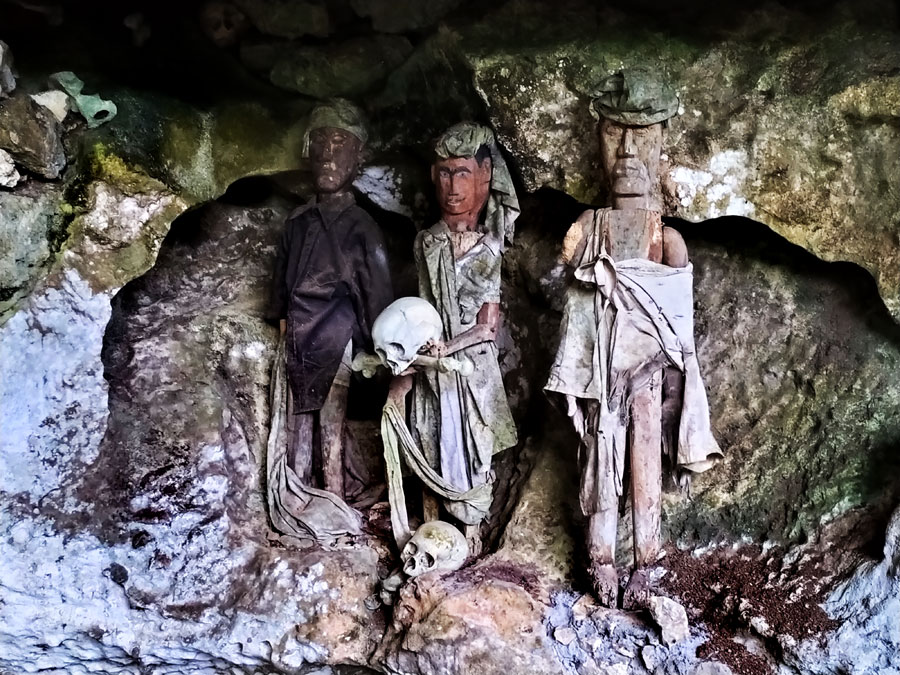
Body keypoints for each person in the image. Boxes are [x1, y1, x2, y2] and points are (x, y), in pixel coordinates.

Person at [545, 71, 721, 607]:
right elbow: (578, 302)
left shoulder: (667, 239)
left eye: (641, 135)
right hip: (600, 371)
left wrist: (676, 387)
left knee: (646, 461)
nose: (626, 150)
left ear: (662, 142)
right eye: (613, 132)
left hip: (647, 375)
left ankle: (648, 561)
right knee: (600, 458)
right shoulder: (586, 229)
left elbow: (677, 327)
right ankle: (599, 557)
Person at [379, 122, 519, 552]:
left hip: (470, 368)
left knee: (473, 445)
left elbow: (487, 326)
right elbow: (422, 306)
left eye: (462, 173)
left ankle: (471, 533)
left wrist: (448, 347)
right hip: (431, 361)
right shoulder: (427, 243)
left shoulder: (489, 249)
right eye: (444, 173)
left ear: (485, 176)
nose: (452, 187)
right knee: (428, 435)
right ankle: (431, 527)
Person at [266, 98, 392, 542]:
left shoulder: (361, 226)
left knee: (330, 427)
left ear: (358, 157)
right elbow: (280, 287)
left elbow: (377, 293)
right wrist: (283, 326)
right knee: (296, 428)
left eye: (340, 144)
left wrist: (380, 349)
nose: (327, 154)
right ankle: (298, 505)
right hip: (297, 339)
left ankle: (335, 509)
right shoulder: (297, 222)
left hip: (337, 336)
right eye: (320, 142)